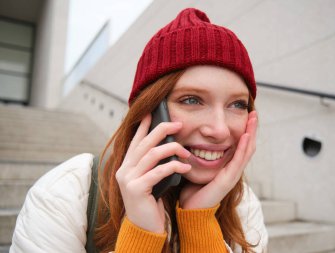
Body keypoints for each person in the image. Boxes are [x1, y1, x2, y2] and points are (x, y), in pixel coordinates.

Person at [10, 8, 268, 253]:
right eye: (192, 100)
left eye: (237, 104)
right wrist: (141, 236)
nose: (220, 130)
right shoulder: (64, 194)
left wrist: (199, 223)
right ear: (150, 111)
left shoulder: (244, 205)